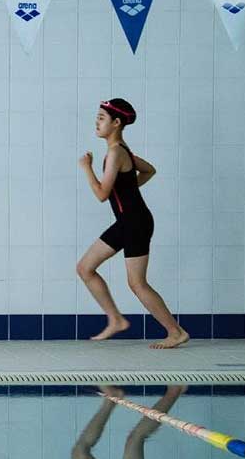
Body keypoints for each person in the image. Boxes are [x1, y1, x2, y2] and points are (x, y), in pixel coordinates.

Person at [75, 99, 189, 349]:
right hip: (127, 221)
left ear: (116, 123)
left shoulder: (116, 152)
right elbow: (150, 170)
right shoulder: (121, 150)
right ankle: (115, 319)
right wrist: (126, 189)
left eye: (102, 118)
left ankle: (175, 332)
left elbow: (102, 194)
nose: (97, 121)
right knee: (85, 268)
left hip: (135, 223)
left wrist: (86, 168)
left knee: (137, 283)